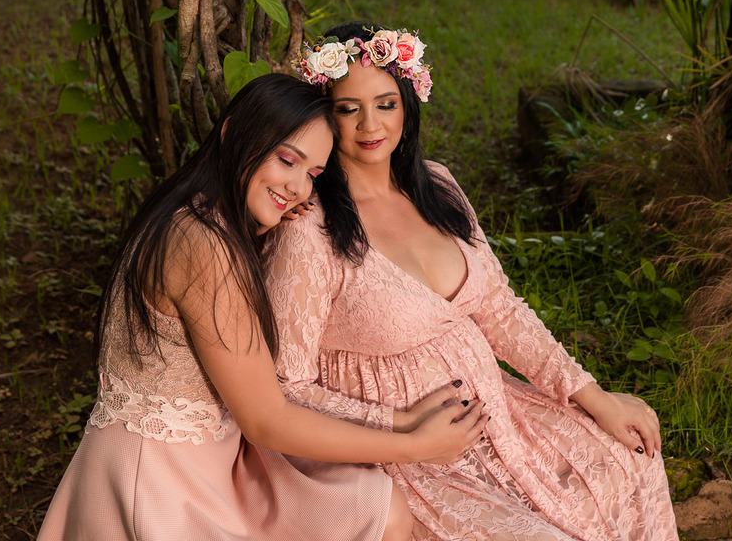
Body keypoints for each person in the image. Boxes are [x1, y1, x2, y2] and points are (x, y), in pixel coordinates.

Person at [38, 73, 488, 541]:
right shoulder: (201, 244)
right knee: (375, 507)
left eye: (312, 175)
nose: (298, 188)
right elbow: (267, 420)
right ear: (233, 133)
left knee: (375, 502)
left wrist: (400, 420)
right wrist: (414, 446)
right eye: (287, 160)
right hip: (161, 478)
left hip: (220, 453)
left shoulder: (201, 214)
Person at [270, 25, 678, 540]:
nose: (370, 125)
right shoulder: (310, 228)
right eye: (348, 109)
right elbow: (289, 386)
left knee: (630, 458)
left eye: (386, 104)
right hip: (407, 454)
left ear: (408, 105)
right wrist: (398, 426)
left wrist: (596, 398)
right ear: (324, 116)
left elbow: (500, 309)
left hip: (499, 418)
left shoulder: (437, 184)